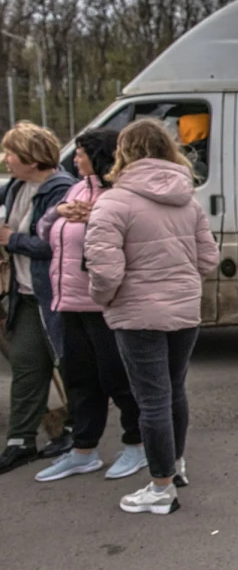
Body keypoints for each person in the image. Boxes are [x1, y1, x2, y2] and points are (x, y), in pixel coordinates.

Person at [85, 119, 219, 515]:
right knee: (174, 390)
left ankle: (161, 488)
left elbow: (105, 271)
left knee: (152, 400)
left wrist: (103, 300)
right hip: (184, 310)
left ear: (123, 152)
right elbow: (208, 259)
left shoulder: (113, 202)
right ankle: (175, 466)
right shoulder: (188, 200)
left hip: (137, 314)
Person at [33, 129, 148, 483]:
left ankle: (137, 444)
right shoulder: (75, 190)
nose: (75, 158)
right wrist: (59, 211)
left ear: (98, 156)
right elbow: (43, 232)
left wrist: (96, 217)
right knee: (80, 380)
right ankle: (83, 450)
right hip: (69, 302)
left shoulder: (121, 193)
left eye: (81, 153)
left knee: (118, 379)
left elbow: (133, 237)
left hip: (104, 304)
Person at [0, 122, 76, 474]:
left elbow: (55, 244)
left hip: (58, 295)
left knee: (69, 365)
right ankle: (20, 441)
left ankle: (76, 432)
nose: (5, 159)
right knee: (27, 365)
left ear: (31, 159)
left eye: (11, 153)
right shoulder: (16, 187)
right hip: (26, 293)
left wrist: (12, 240)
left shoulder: (62, 189)